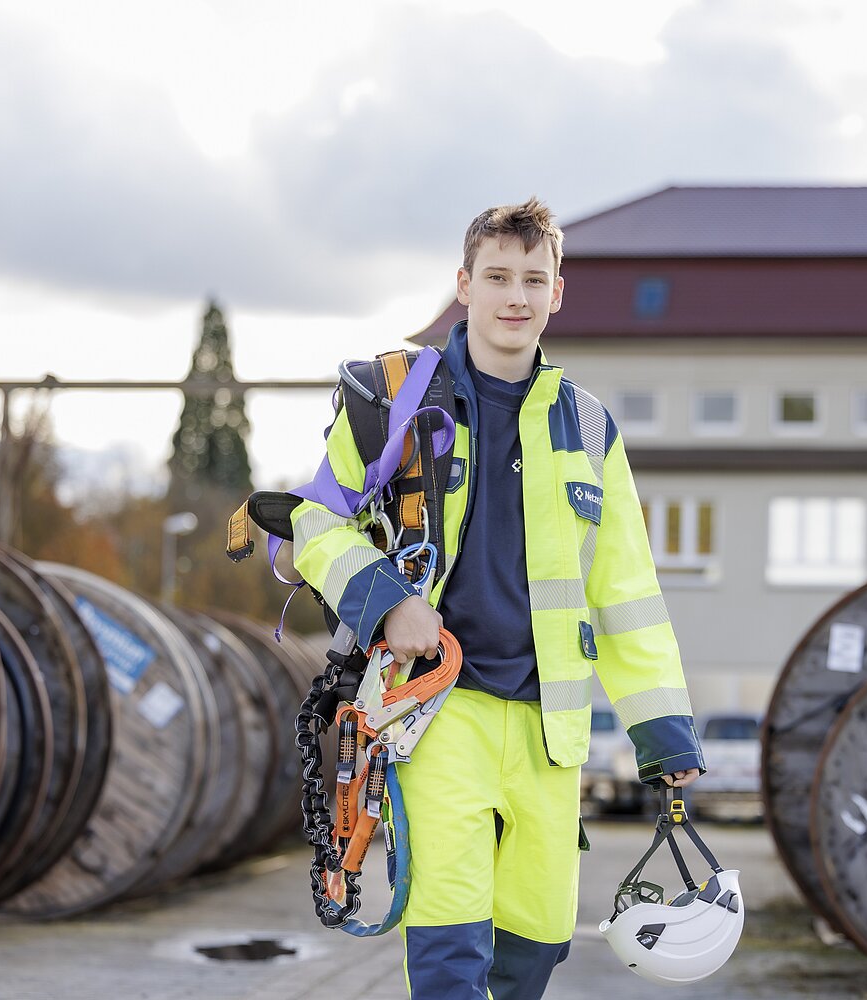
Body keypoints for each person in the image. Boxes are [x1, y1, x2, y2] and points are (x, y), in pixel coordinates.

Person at [291, 197, 704, 1000]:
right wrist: (387, 602)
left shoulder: (589, 428)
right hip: (443, 714)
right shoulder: (398, 400)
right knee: (450, 944)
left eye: (533, 279)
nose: (515, 296)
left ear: (557, 294)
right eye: (497, 277)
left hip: (552, 729)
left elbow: (625, 595)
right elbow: (311, 523)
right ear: (464, 285)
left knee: (537, 947)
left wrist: (666, 733)